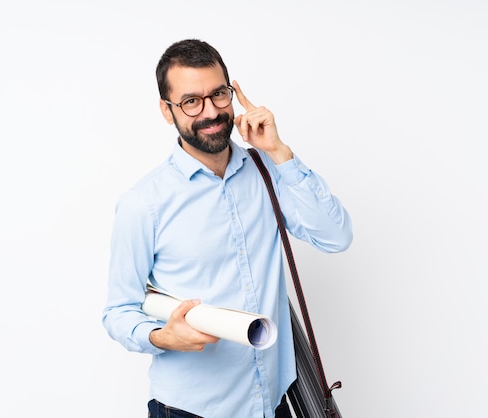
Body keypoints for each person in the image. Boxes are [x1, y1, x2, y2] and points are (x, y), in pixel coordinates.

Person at [102, 39, 353, 418]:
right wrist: (161, 336)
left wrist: (280, 152)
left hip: (275, 402)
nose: (210, 111)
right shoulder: (143, 203)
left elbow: (336, 236)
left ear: (232, 92)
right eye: (191, 101)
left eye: (218, 94)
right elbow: (118, 311)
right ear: (167, 111)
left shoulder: (267, 170)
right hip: (192, 410)